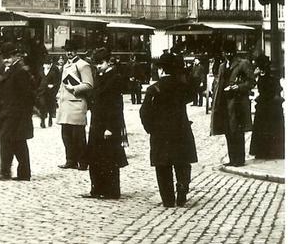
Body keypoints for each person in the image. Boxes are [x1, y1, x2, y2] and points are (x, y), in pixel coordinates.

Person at [140, 51, 198, 207]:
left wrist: (150, 128)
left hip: (160, 133)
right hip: (181, 130)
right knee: (182, 162)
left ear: (161, 70)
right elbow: (193, 93)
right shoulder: (182, 86)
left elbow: (144, 112)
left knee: (162, 166)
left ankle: (168, 199)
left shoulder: (154, 89)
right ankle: (182, 185)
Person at [82, 48, 128, 199]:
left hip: (108, 124)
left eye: (101, 63)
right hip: (97, 122)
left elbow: (115, 106)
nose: (98, 66)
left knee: (109, 159)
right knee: (95, 157)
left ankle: (111, 190)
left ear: (109, 62)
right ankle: (96, 188)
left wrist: (110, 127)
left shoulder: (115, 78)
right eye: (96, 63)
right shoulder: (100, 76)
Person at [0, 44, 34, 181]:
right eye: (4, 57)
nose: (6, 59)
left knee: (6, 140)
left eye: (9, 56)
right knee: (18, 142)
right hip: (8, 112)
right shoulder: (9, 70)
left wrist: (23, 114)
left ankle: (6, 172)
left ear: (16, 56)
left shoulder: (20, 71)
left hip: (15, 113)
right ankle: (24, 173)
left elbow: (27, 94)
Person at [210, 46, 254, 167]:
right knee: (228, 131)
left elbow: (251, 81)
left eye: (230, 51)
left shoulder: (243, 63)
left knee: (237, 130)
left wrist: (239, 87)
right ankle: (232, 158)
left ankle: (239, 159)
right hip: (224, 102)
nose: (228, 54)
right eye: (226, 52)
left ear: (234, 52)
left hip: (237, 102)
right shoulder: (222, 66)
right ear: (223, 53)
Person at [57, 40, 94, 170]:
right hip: (66, 105)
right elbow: (62, 84)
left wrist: (74, 88)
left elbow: (89, 84)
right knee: (66, 135)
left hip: (77, 104)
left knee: (78, 136)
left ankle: (83, 162)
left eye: (71, 50)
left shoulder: (83, 65)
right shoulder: (65, 66)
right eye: (67, 50)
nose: (69, 53)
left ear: (76, 51)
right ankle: (70, 160)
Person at [249, 55, 284, 160]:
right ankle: (264, 151)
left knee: (268, 128)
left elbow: (275, 89)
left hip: (270, 105)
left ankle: (270, 151)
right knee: (264, 128)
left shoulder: (271, 75)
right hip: (265, 105)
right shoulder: (261, 74)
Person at [37, 57, 61, 128]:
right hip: (42, 91)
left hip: (51, 92)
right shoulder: (41, 69)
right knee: (42, 105)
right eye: (45, 64)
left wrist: (54, 85)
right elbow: (38, 80)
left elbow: (58, 80)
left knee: (50, 105)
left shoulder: (55, 69)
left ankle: (50, 118)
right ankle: (42, 120)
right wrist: (37, 89)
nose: (47, 65)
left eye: (48, 64)